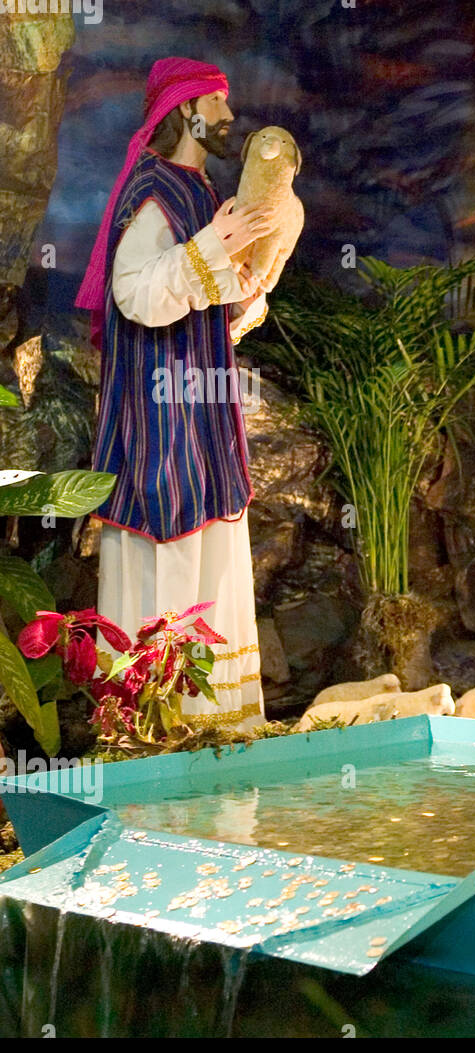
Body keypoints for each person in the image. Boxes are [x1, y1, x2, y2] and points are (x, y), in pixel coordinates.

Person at [74, 57, 275, 732]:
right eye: (218, 104)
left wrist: (247, 283)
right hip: (161, 419)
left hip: (200, 407)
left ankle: (216, 729)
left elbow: (207, 300)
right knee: (169, 542)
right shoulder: (153, 190)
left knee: (211, 539)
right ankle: (155, 733)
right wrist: (214, 248)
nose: (227, 118)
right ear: (188, 110)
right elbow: (135, 296)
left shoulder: (200, 186)